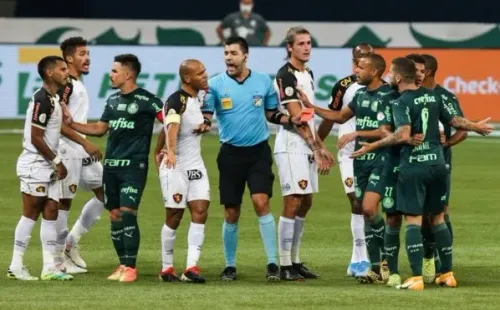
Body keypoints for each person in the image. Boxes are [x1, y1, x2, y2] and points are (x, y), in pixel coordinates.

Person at [350, 56, 492, 290]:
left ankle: (416, 277)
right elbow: (455, 120)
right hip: (437, 164)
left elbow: (403, 135)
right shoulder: (434, 96)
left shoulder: (401, 101)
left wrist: (372, 145)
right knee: (438, 218)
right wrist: (476, 126)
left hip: (413, 166)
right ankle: (447, 273)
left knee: (413, 221)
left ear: (397, 76)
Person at [202, 36, 302, 282]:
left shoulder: (263, 81)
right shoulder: (215, 84)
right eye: (226, 53)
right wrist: (204, 123)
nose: (228, 57)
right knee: (231, 212)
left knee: (261, 202)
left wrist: (290, 120)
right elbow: (207, 113)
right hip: (230, 154)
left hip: (258, 152)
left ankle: (271, 262)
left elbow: (271, 113)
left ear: (245, 56)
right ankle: (230, 265)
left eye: (233, 53)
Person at [64, 54, 164, 283]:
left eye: (115, 71)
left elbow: (170, 121)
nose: (111, 74)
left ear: (128, 74)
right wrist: (73, 125)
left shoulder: (148, 100)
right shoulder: (112, 100)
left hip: (133, 167)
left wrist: (164, 147)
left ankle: (131, 266)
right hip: (111, 167)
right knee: (115, 215)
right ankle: (122, 264)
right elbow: (100, 128)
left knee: (128, 213)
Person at [300, 53, 392, 283]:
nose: (356, 71)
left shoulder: (389, 95)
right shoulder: (360, 94)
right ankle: (374, 267)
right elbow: (340, 116)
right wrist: (311, 106)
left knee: (373, 209)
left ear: (374, 71)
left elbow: (386, 131)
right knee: (364, 208)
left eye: (360, 67)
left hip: (381, 157)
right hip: (360, 159)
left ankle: (387, 259)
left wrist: (358, 133)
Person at [8, 56, 99, 281]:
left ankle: (50, 267)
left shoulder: (55, 99)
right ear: (49, 73)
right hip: (35, 164)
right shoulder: (43, 99)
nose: (66, 72)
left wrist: (80, 141)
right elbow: (36, 137)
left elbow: (57, 130)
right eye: (62, 69)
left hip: (47, 164)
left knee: (51, 212)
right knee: (31, 213)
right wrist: (57, 161)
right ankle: (16, 265)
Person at [273, 26, 334, 281]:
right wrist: (318, 148)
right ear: (290, 47)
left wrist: (319, 144)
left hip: (306, 144)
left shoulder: (307, 72)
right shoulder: (285, 75)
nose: (306, 47)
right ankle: (284, 264)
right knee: (293, 200)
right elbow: (297, 119)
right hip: (290, 145)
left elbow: (308, 117)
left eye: (309, 43)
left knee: (306, 201)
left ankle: (296, 261)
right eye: (301, 44)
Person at [317, 43, 374, 277]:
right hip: (348, 149)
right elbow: (333, 117)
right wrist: (317, 145)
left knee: (372, 205)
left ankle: (361, 257)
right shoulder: (343, 86)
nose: (362, 62)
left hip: (374, 149)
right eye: (359, 59)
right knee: (356, 200)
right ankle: (361, 258)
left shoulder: (384, 86)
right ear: (353, 60)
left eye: (367, 57)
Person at [154, 59, 210, 283]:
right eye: (200, 73)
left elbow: (173, 127)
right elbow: (172, 126)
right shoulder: (176, 100)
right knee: (174, 215)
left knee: (201, 209)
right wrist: (170, 150)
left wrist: (201, 127)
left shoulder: (198, 99)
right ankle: (166, 268)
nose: (205, 76)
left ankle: (191, 267)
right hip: (175, 165)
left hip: (195, 164)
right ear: (187, 78)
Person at [56, 37, 105, 274]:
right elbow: (58, 122)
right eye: (82, 53)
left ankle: (71, 242)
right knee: (63, 202)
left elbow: (73, 119)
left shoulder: (77, 83)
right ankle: (59, 261)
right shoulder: (66, 85)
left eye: (88, 53)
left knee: (107, 191)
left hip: (80, 149)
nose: (87, 58)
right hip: (67, 150)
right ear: (69, 58)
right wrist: (86, 142)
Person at [420, 53, 468, 283]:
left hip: (440, 163)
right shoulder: (412, 95)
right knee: (421, 215)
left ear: (427, 72)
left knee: (439, 212)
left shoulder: (444, 97)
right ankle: (429, 257)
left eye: (419, 70)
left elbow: (462, 129)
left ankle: (443, 262)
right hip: (416, 162)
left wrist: (447, 144)